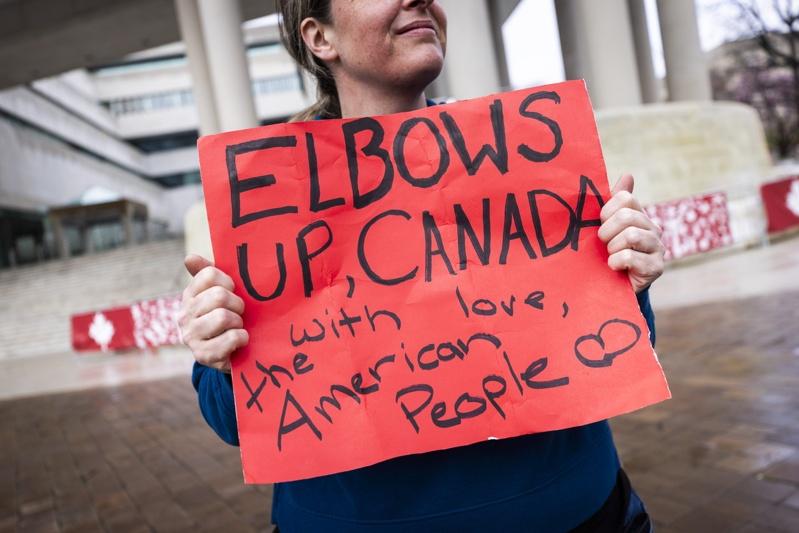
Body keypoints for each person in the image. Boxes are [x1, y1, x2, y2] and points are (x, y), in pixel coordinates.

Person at [178, 1, 666, 531]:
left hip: (585, 514)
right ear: (320, 37)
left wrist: (627, 282)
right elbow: (236, 424)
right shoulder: (268, 196)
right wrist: (220, 354)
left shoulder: (524, 154)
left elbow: (616, 349)